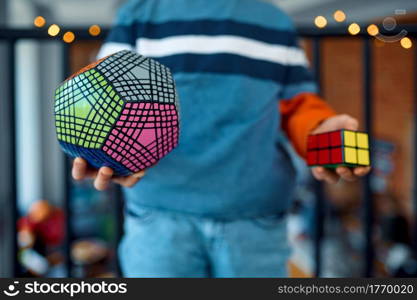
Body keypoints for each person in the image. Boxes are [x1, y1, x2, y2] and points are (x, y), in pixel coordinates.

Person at [72, 0, 370, 277]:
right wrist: (107, 160)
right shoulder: (138, 15)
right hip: (158, 215)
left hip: (255, 218)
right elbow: (101, 97)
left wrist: (321, 132)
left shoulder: (274, 22)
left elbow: (298, 106)